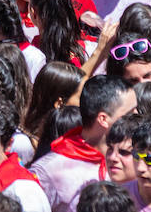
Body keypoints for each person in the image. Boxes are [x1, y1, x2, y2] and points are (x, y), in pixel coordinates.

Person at [32, 75, 135, 212]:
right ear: (103, 119)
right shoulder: (49, 170)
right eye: (130, 113)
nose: (137, 115)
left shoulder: (140, 155)